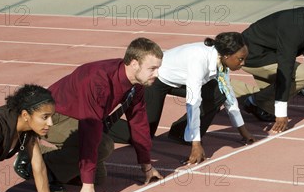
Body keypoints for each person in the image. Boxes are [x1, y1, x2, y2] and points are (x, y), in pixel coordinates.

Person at [38, 37, 164, 192]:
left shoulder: (136, 84)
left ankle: (50, 160)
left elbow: (138, 122)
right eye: (152, 68)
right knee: (103, 145)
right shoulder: (98, 80)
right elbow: (90, 130)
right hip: (52, 116)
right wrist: (86, 186)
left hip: (78, 117)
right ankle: (34, 160)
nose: (157, 74)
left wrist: (146, 165)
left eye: (158, 68)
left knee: (98, 177)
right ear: (134, 63)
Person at [109, 32, 257, 165]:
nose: (243, 63)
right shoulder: (199, 60)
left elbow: (228, 94)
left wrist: (243, 131)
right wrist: (196, 144)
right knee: (144, 134)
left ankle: (180, 133)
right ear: (226, 55)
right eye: (240, 59)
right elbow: (193, 101)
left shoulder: (222, 62)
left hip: (180, 80)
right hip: (157, 80)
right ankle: (104, 125)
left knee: (219, 93)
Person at [231, 0, 304, 133]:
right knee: (303, 75)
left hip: (271, 53)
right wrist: (281, 113)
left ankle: (233, 89)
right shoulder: (295, 26)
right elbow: (286, 65)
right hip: (251, 55)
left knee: (269, 98)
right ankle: (253, 101)